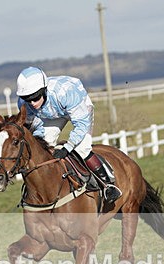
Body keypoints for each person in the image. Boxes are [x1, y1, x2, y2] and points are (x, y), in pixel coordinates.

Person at [15, 66, 121, 203]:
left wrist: (67, 148)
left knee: (82, 148)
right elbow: (35, 126)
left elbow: (81, 124)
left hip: (79, 110)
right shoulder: (24, 103)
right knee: (43, 148)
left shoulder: (66, 92)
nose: (32, 103)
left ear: (44, 90)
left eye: (35, 98)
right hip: (51, 115)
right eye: (28, 99)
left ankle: (108, 185)